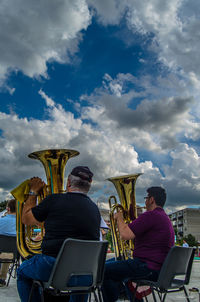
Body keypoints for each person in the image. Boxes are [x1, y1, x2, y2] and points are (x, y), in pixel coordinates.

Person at [17, 166, 101, 302]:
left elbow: (26, 219)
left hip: (53, 269)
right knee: (79, 279)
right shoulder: (94, 209)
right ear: (89, 185)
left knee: (21, 272)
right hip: (86, 273)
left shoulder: (54, 200)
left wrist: (33, 192)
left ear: (68, 182)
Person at [102, 186, 175, 302]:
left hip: (147, 267)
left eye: (146, 198)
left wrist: (119, 218)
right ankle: (125, 293)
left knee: (103, 270)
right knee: (110, 264)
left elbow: (125, 235)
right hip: (159, 269)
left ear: (151, 199)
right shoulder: (164, 218)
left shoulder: (151, 215)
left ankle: (118, 295)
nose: (145, 202)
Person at [0, 199, 16, 287]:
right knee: (7, 251)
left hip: (2, 252)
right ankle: (2, 278)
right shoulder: (22, 224)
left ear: (8, 209)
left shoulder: (1, 220)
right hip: (13, 254)